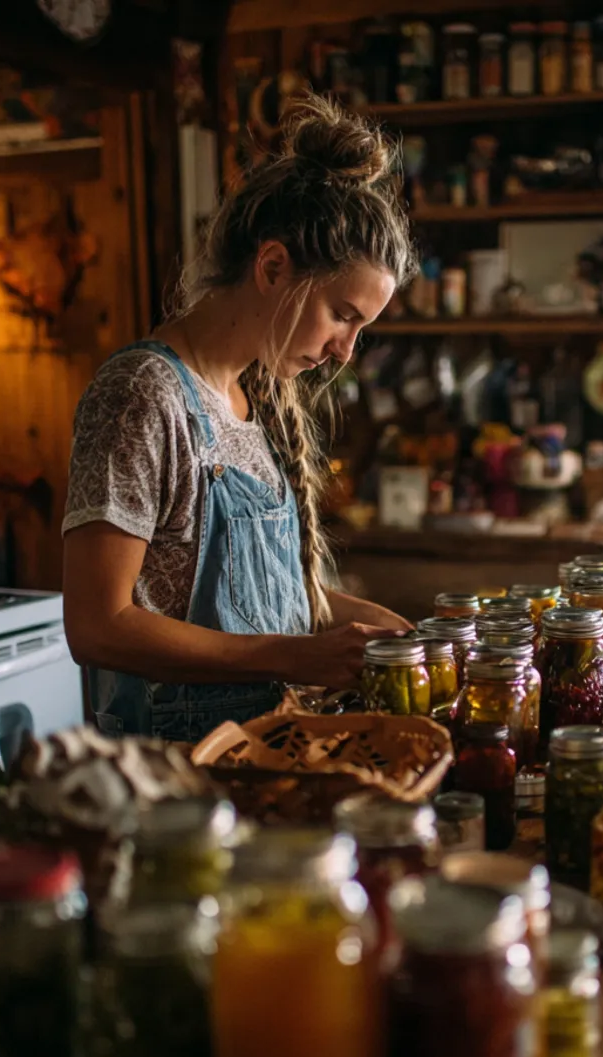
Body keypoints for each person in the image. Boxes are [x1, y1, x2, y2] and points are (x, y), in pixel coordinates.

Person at [62, 94, 418, 741]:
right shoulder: (144, 394)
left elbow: (264, 604)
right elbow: (98, 625)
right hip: (176, 777)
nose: (345, 350)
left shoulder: (253, 398)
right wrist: (292, 656)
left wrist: (381, 633)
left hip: (265, 755)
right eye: (343, 314)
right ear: (274, 267)